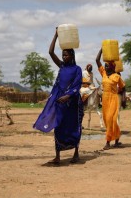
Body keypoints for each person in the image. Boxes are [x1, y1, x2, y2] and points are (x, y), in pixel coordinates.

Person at [33, 28, 83, 164]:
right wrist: (56, 35)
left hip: (72, 102)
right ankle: (58, 156)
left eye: (66, 55)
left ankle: (76, 153)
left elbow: (77, 85)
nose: (64, 57)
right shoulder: (61, 66)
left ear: (72, 56)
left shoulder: (77, 69)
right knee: (58, 125)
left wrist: (68, 96)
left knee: (74, 126)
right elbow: (50, 52)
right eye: (63, 55)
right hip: (59, 101)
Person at [95, 48, 126, 150]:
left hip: (113, 98)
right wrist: (102, 50)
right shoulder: (103, 74)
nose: (106, 67)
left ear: (112, 67)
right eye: (105, 66)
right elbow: (97, 60)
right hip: (105, 99)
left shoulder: (117, 76)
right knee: (107, 120)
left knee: (111, 119)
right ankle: (116, 139)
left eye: (107, 66)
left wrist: (124, 98)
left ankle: (108, 142)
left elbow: (123, 87)